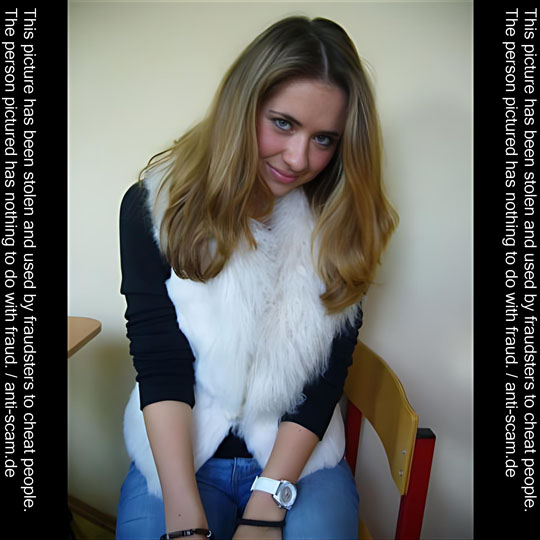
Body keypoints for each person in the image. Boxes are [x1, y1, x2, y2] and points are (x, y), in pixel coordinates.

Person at [116, 15, 397, 540]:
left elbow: (324, 380)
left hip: (300, 458)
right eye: (283, 123)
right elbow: (159, 361)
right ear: (242, 106)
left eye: (324, 139)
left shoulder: (345, 224)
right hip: (181, 455)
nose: (298, 158)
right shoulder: (153, 208)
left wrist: (267, 507)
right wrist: (184, 520)